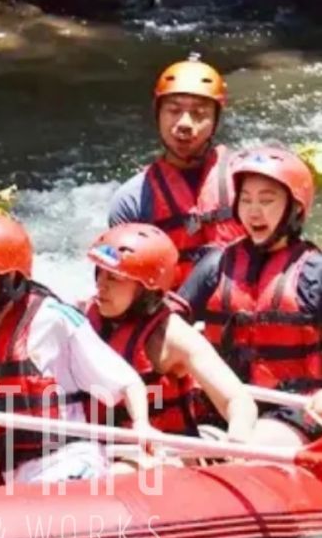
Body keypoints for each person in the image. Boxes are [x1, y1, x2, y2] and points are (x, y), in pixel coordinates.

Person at [0, 213, 152, 484]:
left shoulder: (54, 320)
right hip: (11, 476)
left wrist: (141, 424)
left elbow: (128, 383)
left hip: (67, 461)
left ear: (8, 278)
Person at [180, 145, 322, 446]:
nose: (253, 211)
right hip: (222, 403)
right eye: (245, 200)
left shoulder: (315, 272)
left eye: (266, 200)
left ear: (295, 208)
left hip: (294, 408)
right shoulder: (216, 264)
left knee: (246, 446)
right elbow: (164, 327)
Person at [84, 222, 257, 442]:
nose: (100, 285)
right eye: (99, 273)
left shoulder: (171, 335)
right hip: (95, 449)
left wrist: (238, 436)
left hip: (165, 451)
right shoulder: (82, 319)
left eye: (114, 278)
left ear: (146, 290)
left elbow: (238, 400)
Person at [109, 56, 244, 288]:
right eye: (173, 110)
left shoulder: (248, 181)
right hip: (173, 305)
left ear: (215, 121)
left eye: (199, 113)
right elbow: (122, 287)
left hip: (240, 302)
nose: (185, 124)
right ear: (158, 115)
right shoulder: (132, 200)